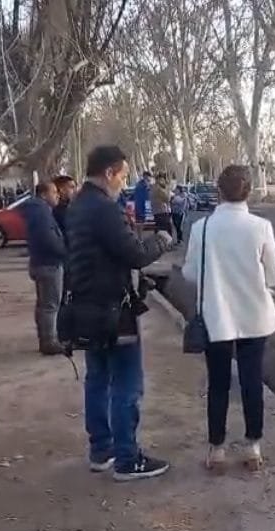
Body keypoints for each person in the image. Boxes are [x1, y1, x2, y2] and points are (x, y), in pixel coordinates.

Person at [65, 145, 174, 481]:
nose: (124, 183)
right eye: (122, 176)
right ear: (109, 173)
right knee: (127, 383)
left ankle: (102, 449)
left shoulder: (77, 205)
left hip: (86, 306)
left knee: (97, 379)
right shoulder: (104, 209)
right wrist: (162, 240)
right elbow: (135, 254)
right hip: (113, 310)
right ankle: (128, 458)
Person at [181, 165, 275, 473]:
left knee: (218, 384)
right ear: (249, 191)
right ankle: (253, 446)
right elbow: (274, 275)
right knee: (252, 381)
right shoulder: (261, 227)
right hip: (254, 316)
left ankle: (217, 449)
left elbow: (190, 273)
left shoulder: (202, 228)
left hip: (216, 318)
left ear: (218, 191)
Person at [21, 180, 66, 355]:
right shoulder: (41, 212)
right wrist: (64, 251)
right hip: (49, 263)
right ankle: (49, 341)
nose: (57, 196)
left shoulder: (38, 210)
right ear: (44, 194)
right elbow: (48, 239)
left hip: (40, 262)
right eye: (54, 192)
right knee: (50, 305)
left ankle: (46, 338)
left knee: (44, 304)